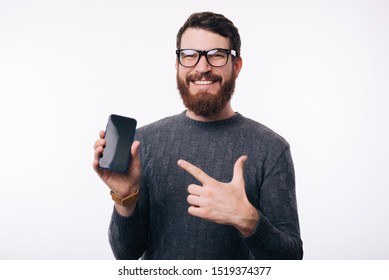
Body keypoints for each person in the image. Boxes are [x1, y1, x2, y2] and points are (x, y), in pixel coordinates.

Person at [93, 11, 303, 260]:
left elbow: (291, 258)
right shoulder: (143, 144)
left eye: (216, 56)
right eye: (190, 56)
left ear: (236, 66)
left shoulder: (271, 149)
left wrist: (249, 221)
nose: (202, 68)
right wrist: (125, 198)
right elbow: (126, 255)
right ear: (177, 65)